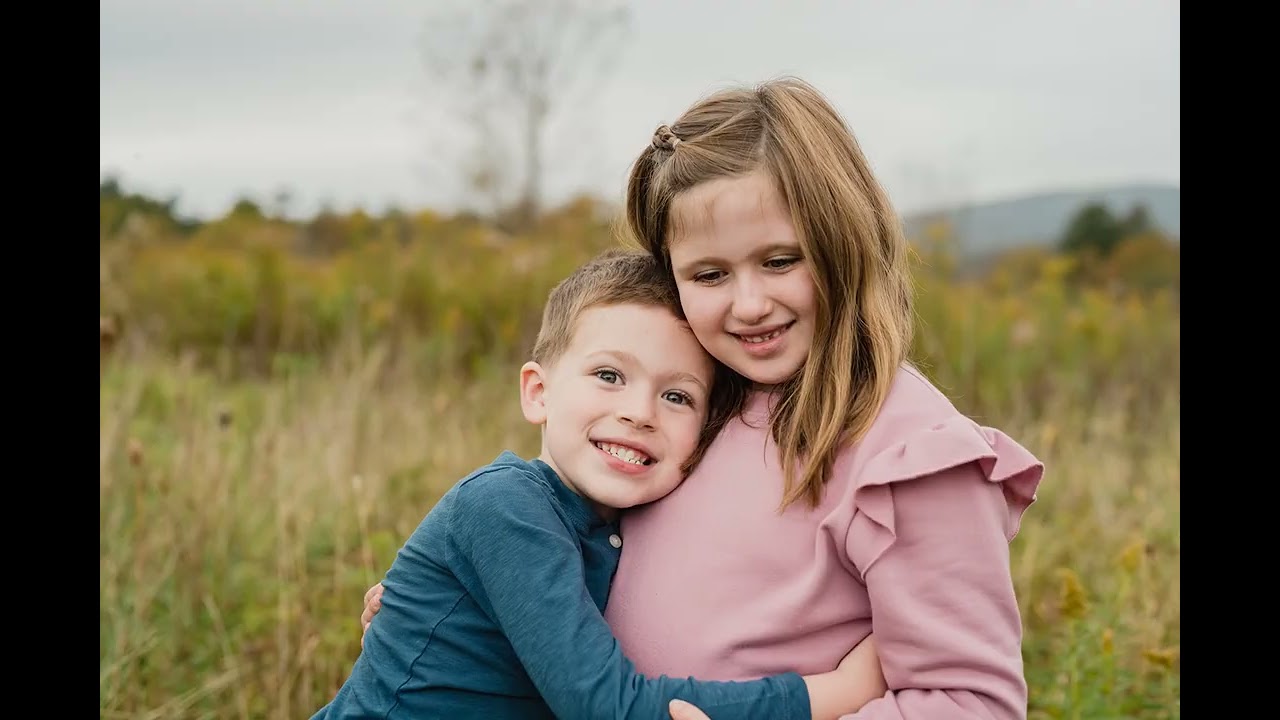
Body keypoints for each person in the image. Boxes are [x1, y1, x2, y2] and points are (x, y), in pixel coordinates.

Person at [363, 76, 1046, 719]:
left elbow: (972, 704)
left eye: (780, 261)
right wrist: (461, 616)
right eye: (709, 274)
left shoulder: (911, 454)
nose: (749, 305)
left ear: (844, 242)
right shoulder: (700, 399)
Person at [313, 249, 888, 720]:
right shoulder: (505, 505)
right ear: (539, 392)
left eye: (677, 396)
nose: (639, 412)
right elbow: (608, 708)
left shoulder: (636, 529)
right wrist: (833, 692)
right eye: (609, 375)